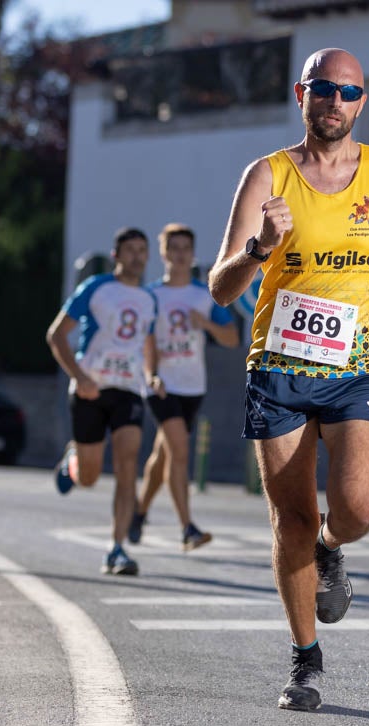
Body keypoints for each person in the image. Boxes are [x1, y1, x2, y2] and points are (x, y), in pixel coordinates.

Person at [208, 47, 369, 712]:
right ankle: (305, 658)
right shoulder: (267, 175)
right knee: (292, 518)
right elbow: (221, 287)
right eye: (324, 89)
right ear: (301, 94)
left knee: (358, 509)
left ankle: (332, 548)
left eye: (348, 92)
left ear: (362, 102)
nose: (336, 101)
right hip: (279, 365)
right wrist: (259, 249)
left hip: (357, 364)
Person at [46, 227, 159, 576]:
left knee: (127, 466)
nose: (137, 257)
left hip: (129, 391)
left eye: (142, 250)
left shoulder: (149, 299)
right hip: (90, 390)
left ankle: (117, 549)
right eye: (130, 250)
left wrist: (152, 374)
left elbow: (147, 344)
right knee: (90, 478)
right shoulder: (95, 288)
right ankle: (74, 460)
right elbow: (56, 335)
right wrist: (79, 377)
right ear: (116, 255)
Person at [129, 223, 239, 551]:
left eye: (185, 249)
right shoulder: (150, 295)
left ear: (192, 254)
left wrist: (205, 324)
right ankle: (187, 528)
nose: (179, 255)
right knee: (179, 451)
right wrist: (151, 374)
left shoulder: (204, 295)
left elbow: (232, 339)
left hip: (193, 386)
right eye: (173, 248)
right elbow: (145, 341)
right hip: (160, 385)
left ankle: (138, 512)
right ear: (163, 253)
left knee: (163, 453)